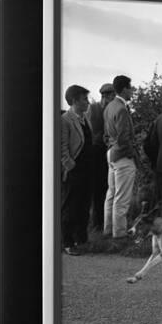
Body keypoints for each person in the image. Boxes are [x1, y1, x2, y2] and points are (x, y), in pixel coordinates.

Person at [103, 75, 137, 240]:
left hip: (111, 152)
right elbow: (124, 138)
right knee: (122, 197)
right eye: (131, 88)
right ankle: (120, 234)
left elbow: (108, 133)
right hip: (122, 154)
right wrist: (131, 153)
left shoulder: (109, 106)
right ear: (124, 89)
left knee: (112, 194)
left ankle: (108, 230)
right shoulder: (122, 109)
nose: (132, 91)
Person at [61, 85, 94, 255]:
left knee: (84, 205)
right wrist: (69, 165)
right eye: (84, 99)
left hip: (86, 169)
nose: (87, 102)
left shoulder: (83, 118)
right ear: (74, 101)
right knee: (70, 206)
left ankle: (81, 239)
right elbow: (62, 147)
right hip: (75, 170)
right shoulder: (65, 119)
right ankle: (67, 242)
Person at [87, 83, 115, 231]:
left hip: (106, 151)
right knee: (99, 188)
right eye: (110, 96)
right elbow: (91, 132)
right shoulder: (94, 108)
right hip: (97, 151)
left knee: (107, 188)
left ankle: (104, 222)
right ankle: (97, 222)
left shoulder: (107, 109)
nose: (111, 98)